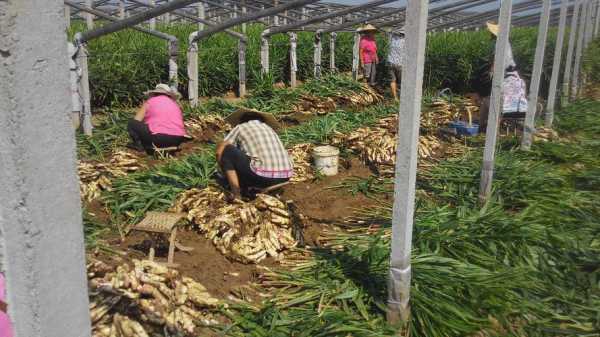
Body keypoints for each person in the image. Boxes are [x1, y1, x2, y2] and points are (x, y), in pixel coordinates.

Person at [216, 109, 293, 200]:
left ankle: (236, 194)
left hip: (262, 177)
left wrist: (223, 171)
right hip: (285, 176)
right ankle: (257, 188)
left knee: (227, 150)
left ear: (242, 120)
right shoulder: (269, 129)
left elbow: (219, 151)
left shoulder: (240, 127)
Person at [479, 22, 528, 131]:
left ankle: (482, 128)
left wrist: (491, 72)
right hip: (513, 79)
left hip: (506, 80)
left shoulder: (499, 43)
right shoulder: (506, 43)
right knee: (498, 102)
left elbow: (497, 61)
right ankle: (489, 127)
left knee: (488, 103)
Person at [127, 83, 187, 154]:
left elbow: (137, 120)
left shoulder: (150, 102)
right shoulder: (175, 105)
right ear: (169, 95)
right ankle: (167, 146)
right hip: (178, 139)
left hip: (158, 138)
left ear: (154, 94)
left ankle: (141, 146)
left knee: (132, 123)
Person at [387, 28, 406, 101]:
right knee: (402, 81)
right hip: (400, 64)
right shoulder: (405, 41)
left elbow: (389, 32)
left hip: (390, 62)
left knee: (393, 80)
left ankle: (395, 98)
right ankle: (403, 97)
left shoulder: (392, 39)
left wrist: (391, 32)